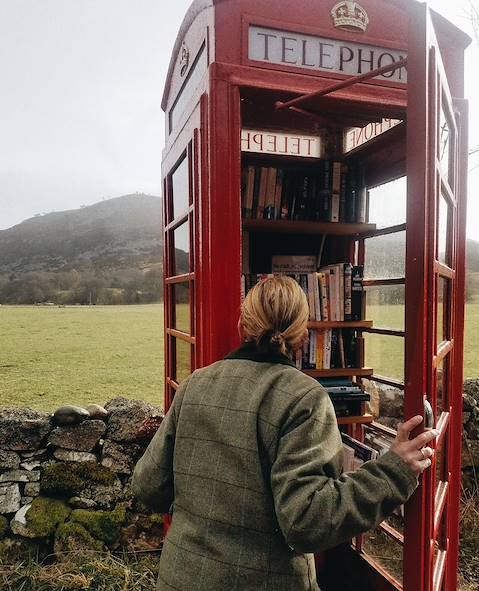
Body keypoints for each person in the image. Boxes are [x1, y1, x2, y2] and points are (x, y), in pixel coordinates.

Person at [132, 275, 437, 591]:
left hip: (180, 578)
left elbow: (148, 485)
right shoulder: (304, 398)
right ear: (303, 337)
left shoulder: (195, 384)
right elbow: (306, 523)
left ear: (242, 326)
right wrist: (392, 472)